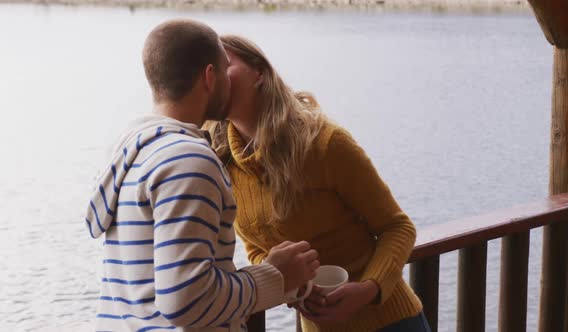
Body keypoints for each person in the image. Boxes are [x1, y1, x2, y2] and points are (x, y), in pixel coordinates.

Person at [83, 20, 319, 332]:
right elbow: (186, 301)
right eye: (224, 70)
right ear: (209, 77)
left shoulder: (131, 150)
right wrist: (276, 276)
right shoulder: (188, 160)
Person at [204, 35, 430, 332]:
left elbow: (398, 227)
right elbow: (256, 247)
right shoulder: (220, 163)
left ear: (259, 73)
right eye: (210, 70)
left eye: (226, 64)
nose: (217, 76)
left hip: (389, 321)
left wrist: (368, 290)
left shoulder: (324, 144)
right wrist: (280, 278)